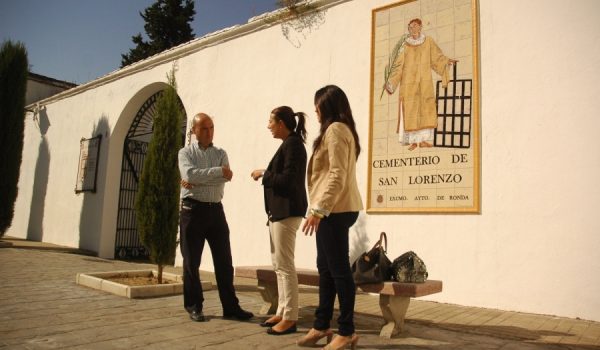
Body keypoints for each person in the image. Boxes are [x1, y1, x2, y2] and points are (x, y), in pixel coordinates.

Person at [298, 85, 363, 350]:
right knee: (326, 270)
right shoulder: (338, 129)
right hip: (334, 209)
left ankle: (346, 331)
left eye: (318, 105)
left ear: (328, 106)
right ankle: (321, 325)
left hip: (335, 210)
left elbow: (336, 174)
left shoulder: (336, 129)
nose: (315, 110)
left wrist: (318, 210)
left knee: (338, 272)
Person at [178, 113, 254, 322]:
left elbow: (225, 178)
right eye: (204, 128)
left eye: (211, 128)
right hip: (192, 211)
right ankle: (194, 306)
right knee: (191, 262)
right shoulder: (185, 153)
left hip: (216, 211)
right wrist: (216, 172)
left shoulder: (221, 152)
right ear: (194, 131)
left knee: (224, 262)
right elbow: (189, 176)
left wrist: (199, 178)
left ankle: (230, 307)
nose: (209, 132)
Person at [250, 106, 308, 336]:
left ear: (281, 123)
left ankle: (290, 317)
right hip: (279, 213)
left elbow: (289, 181)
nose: (268, 126)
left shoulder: (293, 145)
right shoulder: (288, 144)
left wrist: (265, 174)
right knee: (279, 266)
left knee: (285, 267)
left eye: (271, 121)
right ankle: (283, 310)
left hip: (287, 212)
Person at [385, 18, 457, 151]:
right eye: (410, 27)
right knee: (411, 111)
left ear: (420, 27)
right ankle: (413, 141)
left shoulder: (428, 41)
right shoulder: (404, 46)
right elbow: (398, 65)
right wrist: (391, 82)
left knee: (426, 110)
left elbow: (437, 57)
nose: (412, 29)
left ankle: (423, 140)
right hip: (409, 85)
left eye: (415, 26)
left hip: (424, 83)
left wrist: (446, 61)